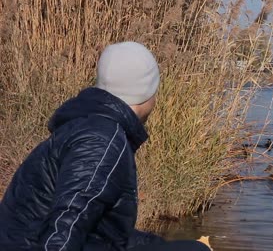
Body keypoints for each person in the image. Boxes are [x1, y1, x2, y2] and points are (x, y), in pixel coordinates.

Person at [0, 42, 210, 251]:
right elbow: (65, 226)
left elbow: (107, 233)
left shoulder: (90, 125)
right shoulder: (102, 141)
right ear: (147, 91)